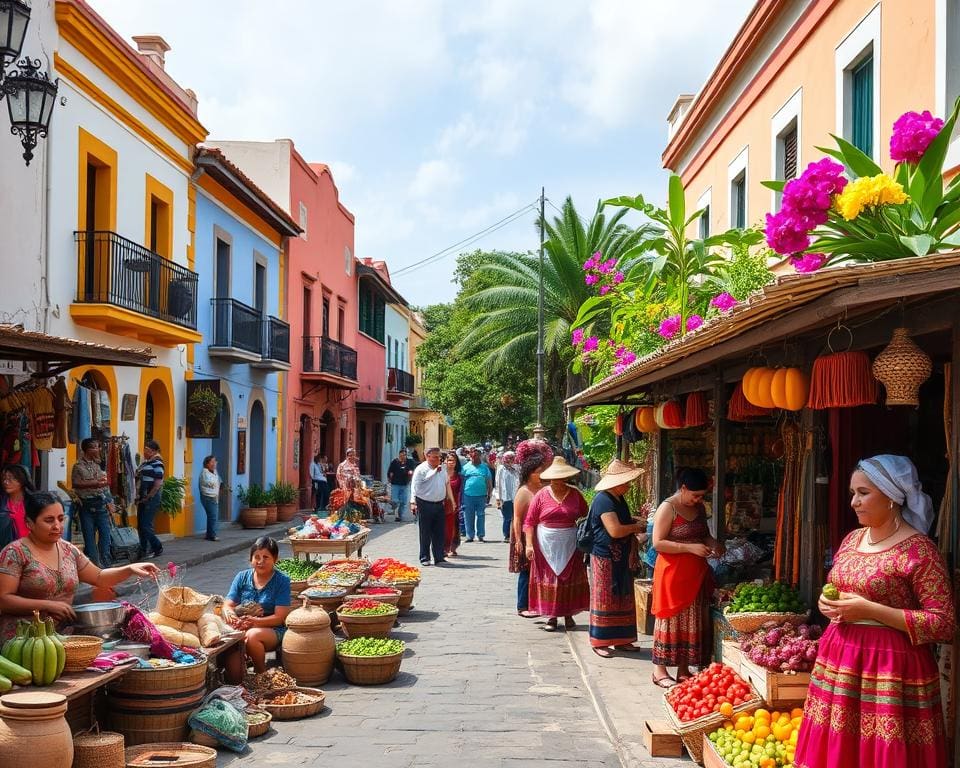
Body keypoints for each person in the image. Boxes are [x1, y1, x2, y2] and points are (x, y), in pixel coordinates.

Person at [795, 455, 955, 768]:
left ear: (892, 497)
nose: (854, 502)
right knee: (840, 752)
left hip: (891, 672)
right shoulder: (852, 539)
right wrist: (826, 604)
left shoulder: (920, 550)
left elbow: (944, 623)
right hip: (840, 661)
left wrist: (872, 611)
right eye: (853, 493)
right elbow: (840, 588)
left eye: (863, 493)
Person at [0, 491, 159, 639]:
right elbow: (4, 600)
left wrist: (129, 569)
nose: (57, 526)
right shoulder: (15, 553)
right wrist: (47, 606)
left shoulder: (69, 550)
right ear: (29, 523)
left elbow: (99, 577)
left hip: (63, 636)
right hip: (23, 639)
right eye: (49, 520)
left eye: (61, 519)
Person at [650, 467, 722, 688]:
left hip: (696, 575)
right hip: (672, 574)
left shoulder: (699, 508)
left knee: (691, 620)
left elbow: (704, 535)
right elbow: (658, 543)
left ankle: (683, 669)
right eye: (695, 495)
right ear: (683, 488)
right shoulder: (668, 508)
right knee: (669, 619)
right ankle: (659, 670)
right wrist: (690, 548)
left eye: (701, 495)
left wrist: (714, 544)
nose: (698, 499)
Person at [588, 459, 647, 657]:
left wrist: (632, 522)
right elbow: (614, 530)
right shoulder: (603, 500)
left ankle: (622, 640)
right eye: (626, 482)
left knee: (623, 597)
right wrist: (635, 527)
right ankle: (600, 641)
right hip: (606, 557)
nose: (629, 486)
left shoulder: (618, 499)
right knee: (605, 597)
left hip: (620, 557)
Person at [523, 456, 590, 631]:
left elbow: (585, 513)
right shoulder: (541, 495)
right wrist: (529, 545)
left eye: (562, 478)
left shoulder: (575, 494)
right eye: (555, 478)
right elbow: (529, 522)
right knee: (550, 579)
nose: (558, 482)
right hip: (546, 542)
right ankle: (551, 616)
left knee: (568, 578)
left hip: (570, 542)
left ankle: (568, 615)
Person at [222, 536, 292, 682]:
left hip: (273, 629)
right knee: (225, 637)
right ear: (251, 559)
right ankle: (236, 677)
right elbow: (228, 605)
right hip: (244, 624)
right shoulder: (242, 577)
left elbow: (280, 617)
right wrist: (231, 615)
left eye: (266, 557)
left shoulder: (282, 581)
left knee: (253, 636)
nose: (260, 561)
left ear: (275, 559)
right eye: (257, 557)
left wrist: (254, 622)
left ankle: (261, 675)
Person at [510, 439, 552, 618]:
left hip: (539, 534)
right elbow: (517, 519)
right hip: (524, 535)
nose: (542, 475)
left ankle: (536, 603)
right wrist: (519, 541)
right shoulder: (524, 491)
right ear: (530, 473)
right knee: (526, 571)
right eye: (539, 472)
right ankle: (522, 606)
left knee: (537, 571)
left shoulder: (544, 488)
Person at [71, 438, 116, 567]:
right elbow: (76, 483)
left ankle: (105, 561)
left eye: (98, 447)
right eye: (95, 447)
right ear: (88, 450)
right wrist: (94, 483)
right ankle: (94, 565)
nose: (98, 450)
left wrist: (109, 501)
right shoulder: (78, 466)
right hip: (86, 505)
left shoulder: (98, 464)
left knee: (105, 534)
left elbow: (105, 485)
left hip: (100, 503)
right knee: (89, 537)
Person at [411, 447, 454, 566]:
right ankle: (424, 557)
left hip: (439, 503)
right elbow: (414, 486)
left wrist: (451, 500)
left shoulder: (442, 469)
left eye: (439, 457)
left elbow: (446, 483)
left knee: (439, 532)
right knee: (425, 532)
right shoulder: (421, 469)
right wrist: (412, 502)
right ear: (427, 456)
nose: (438, 459)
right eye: (435, 456)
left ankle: (439, 557)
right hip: (425, 503)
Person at [135, 440, 165, 559]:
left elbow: (158, 483)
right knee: (141, 525)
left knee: (145, 524)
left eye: (146, 450)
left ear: (153, 451)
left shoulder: (157, 463)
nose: (144, 452)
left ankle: (157, 546)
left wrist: (149, 496)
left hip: (150, 498)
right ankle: (143, 549)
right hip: (143, 497)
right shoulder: (148, 462)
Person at [462, 447, 492, 542]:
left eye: (477, 456)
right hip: (468, 495)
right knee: (468, 516)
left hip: (481, 495)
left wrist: (489, 494)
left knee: (481, 515)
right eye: (473, 456)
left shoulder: (485, 468)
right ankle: (470, 536)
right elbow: (462, 482)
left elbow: (489, 482)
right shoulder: (465, 467)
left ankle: (481, 535)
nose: (475, 458)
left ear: (480, 456)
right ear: (470, 456)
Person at [0, 465, 34, 550]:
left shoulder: (33, 502)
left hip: (32, 550)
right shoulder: (2, 504)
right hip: (8, 551)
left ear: (22, 480)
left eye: (11, 478)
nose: (6, 482)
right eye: (4, 478)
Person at [495, 450, 519, 543]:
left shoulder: (517, 468)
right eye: (508, 459)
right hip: (505, 498)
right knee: (507, 518)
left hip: (516, 497)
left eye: (512, 458)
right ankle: (507, 535)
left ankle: (516, 534)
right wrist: (498, 498)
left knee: (516, 517)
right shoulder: (501, 469)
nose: (510, 461)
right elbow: (497, 484)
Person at [387, 448, 416, 522]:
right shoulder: (395, 462)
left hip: (405, 484)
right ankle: (394, 510)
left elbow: (412, 469)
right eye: (401, 456)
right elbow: (390, 471)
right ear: (399, 455)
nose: (402, 457)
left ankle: (400, 516)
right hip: (395, 484)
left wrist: (410, 472)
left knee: (403, 502)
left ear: (406, 455)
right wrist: (390, 477)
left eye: (404, 455)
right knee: (395, 501)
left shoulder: (410, 462)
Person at [443, 451, 463, 557]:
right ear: (445, 461)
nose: (451, 462)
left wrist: (458, 504)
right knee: (443, 526)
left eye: (453, 461)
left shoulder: (458, 476)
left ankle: (452, 546)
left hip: (454, 503)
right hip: (442, 503)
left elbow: (460, 491)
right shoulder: (441, 473)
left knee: (454, 527)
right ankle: (443, 547)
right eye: (449, 460)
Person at [199, 455, 221, 542]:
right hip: (208, 497)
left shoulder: (213, 472)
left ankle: (209, 534)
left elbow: (218, 481)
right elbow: (211, 483)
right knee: (213, 516)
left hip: (213, 496)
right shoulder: (205, 473)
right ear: (207, 464)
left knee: (211, 516)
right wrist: (217, 482)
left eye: (215, 461)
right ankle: (212, 535)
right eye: (212, 462)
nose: (214, 463)